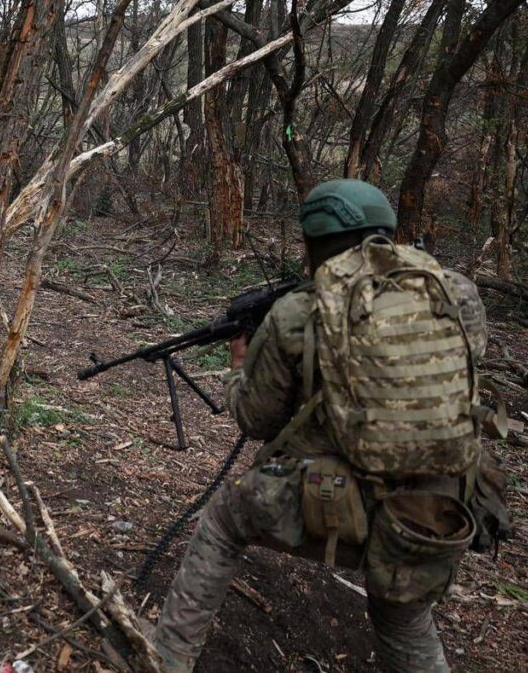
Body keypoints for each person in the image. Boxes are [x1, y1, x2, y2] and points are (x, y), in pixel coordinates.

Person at [152, 179, 509, 672]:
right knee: (402, 613)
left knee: (223, 521)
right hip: (432, 512)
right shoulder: (457, 293)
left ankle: (165, 658)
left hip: (337, 504)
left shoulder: (299, 312)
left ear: (314, 243)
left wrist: (240, 365)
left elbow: (255, 419)